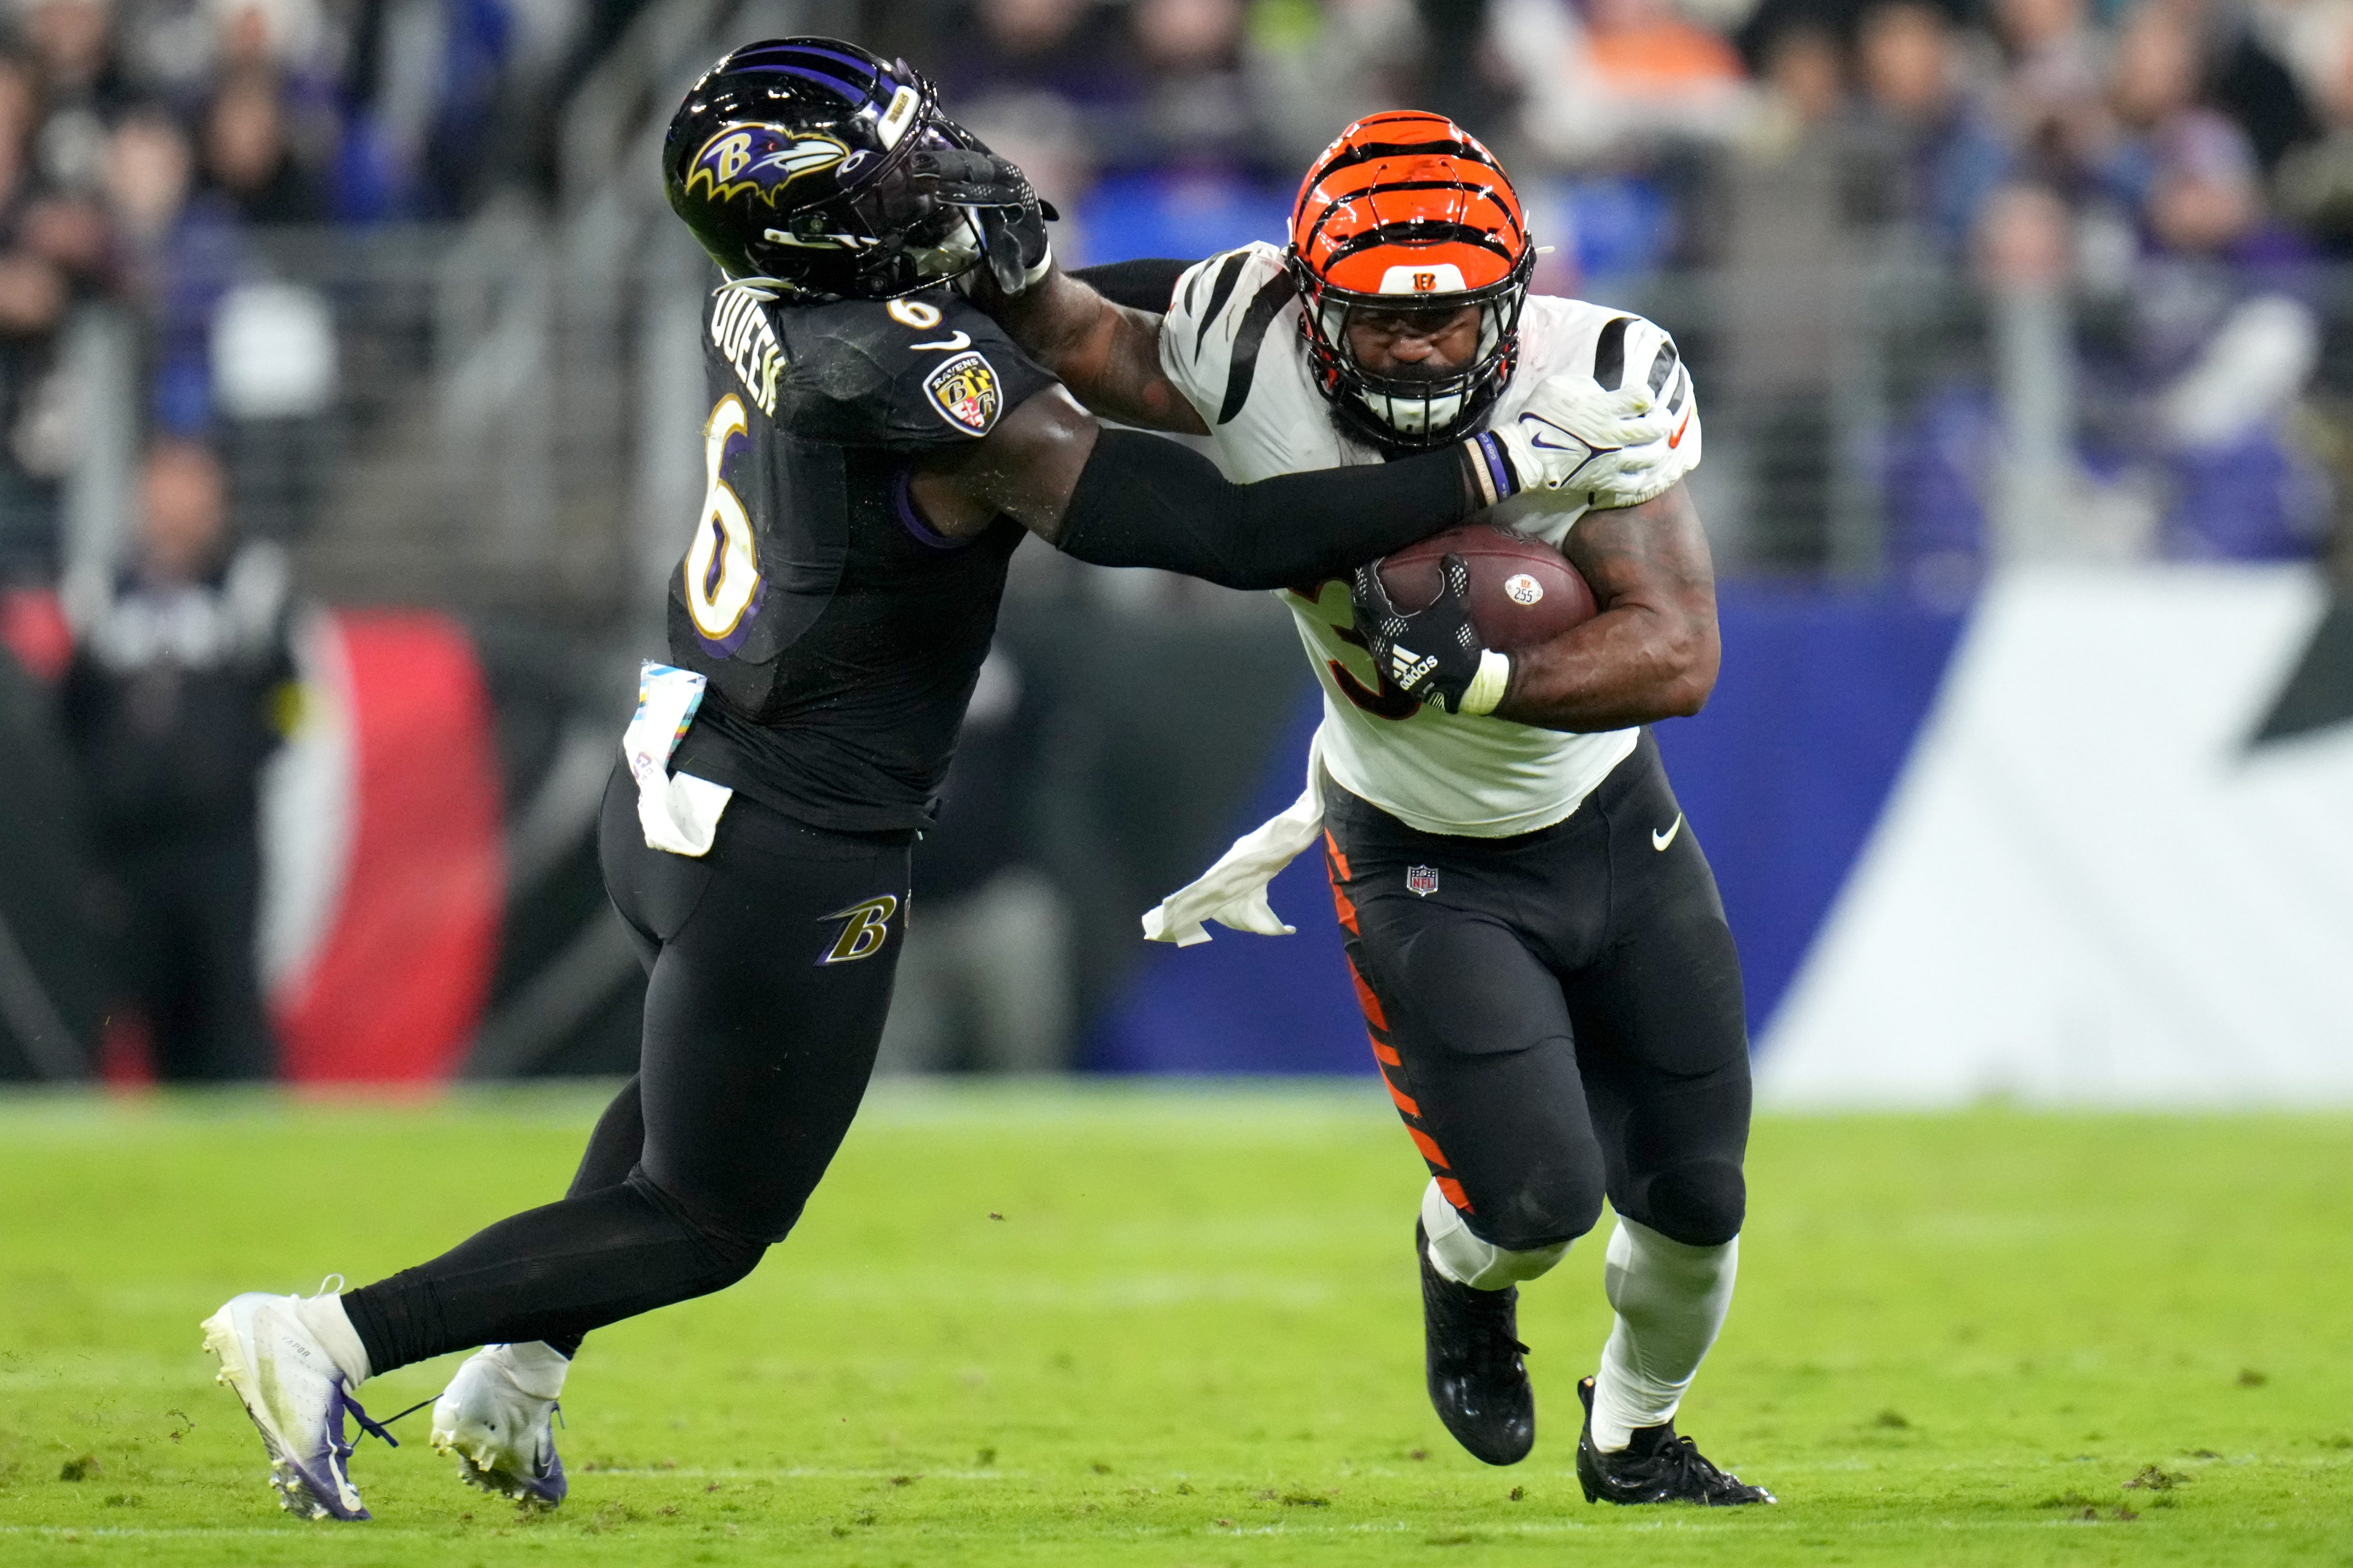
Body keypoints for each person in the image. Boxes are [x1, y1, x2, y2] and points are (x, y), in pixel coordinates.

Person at [194, 40, 1669, 1522]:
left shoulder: (783, 295)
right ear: (813, 216)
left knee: (668, 1102)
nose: (935, 174)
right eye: (892, 167)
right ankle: (327, 1338)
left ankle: (509, 1381)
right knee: (706, 1215)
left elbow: (1087, 313)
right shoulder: (912, 374)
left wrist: (1271, 303)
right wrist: (1490, 467)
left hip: (682, 763)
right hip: (790, 837)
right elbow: (1229, 536)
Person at [977, 110, 1773, 1506]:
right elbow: (1090, 344)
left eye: (1450, 321)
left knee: (1698, 1196)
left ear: (1513, 299)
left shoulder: (1596, 381)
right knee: (1530, 1207)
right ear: (1309, 302)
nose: (1413, 348)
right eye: (1380, 322)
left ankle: (1634, 1438)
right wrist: (1012, 266)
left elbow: (1678, 653)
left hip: (1605, 820)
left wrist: (1483, 679)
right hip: (1417, 850)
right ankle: (1460, 1266)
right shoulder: (1249, 336)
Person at [58, 438, 295, 1080]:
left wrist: (253, 754)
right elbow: (74, 714)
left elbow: (297, 698)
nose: (177, 514)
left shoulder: (251, 591)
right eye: (165, 496)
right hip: (133, 848)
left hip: (222, 840)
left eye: (193, 496)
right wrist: (105, 787)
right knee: (145, 1001)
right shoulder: (100, 595)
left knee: (228, 992)